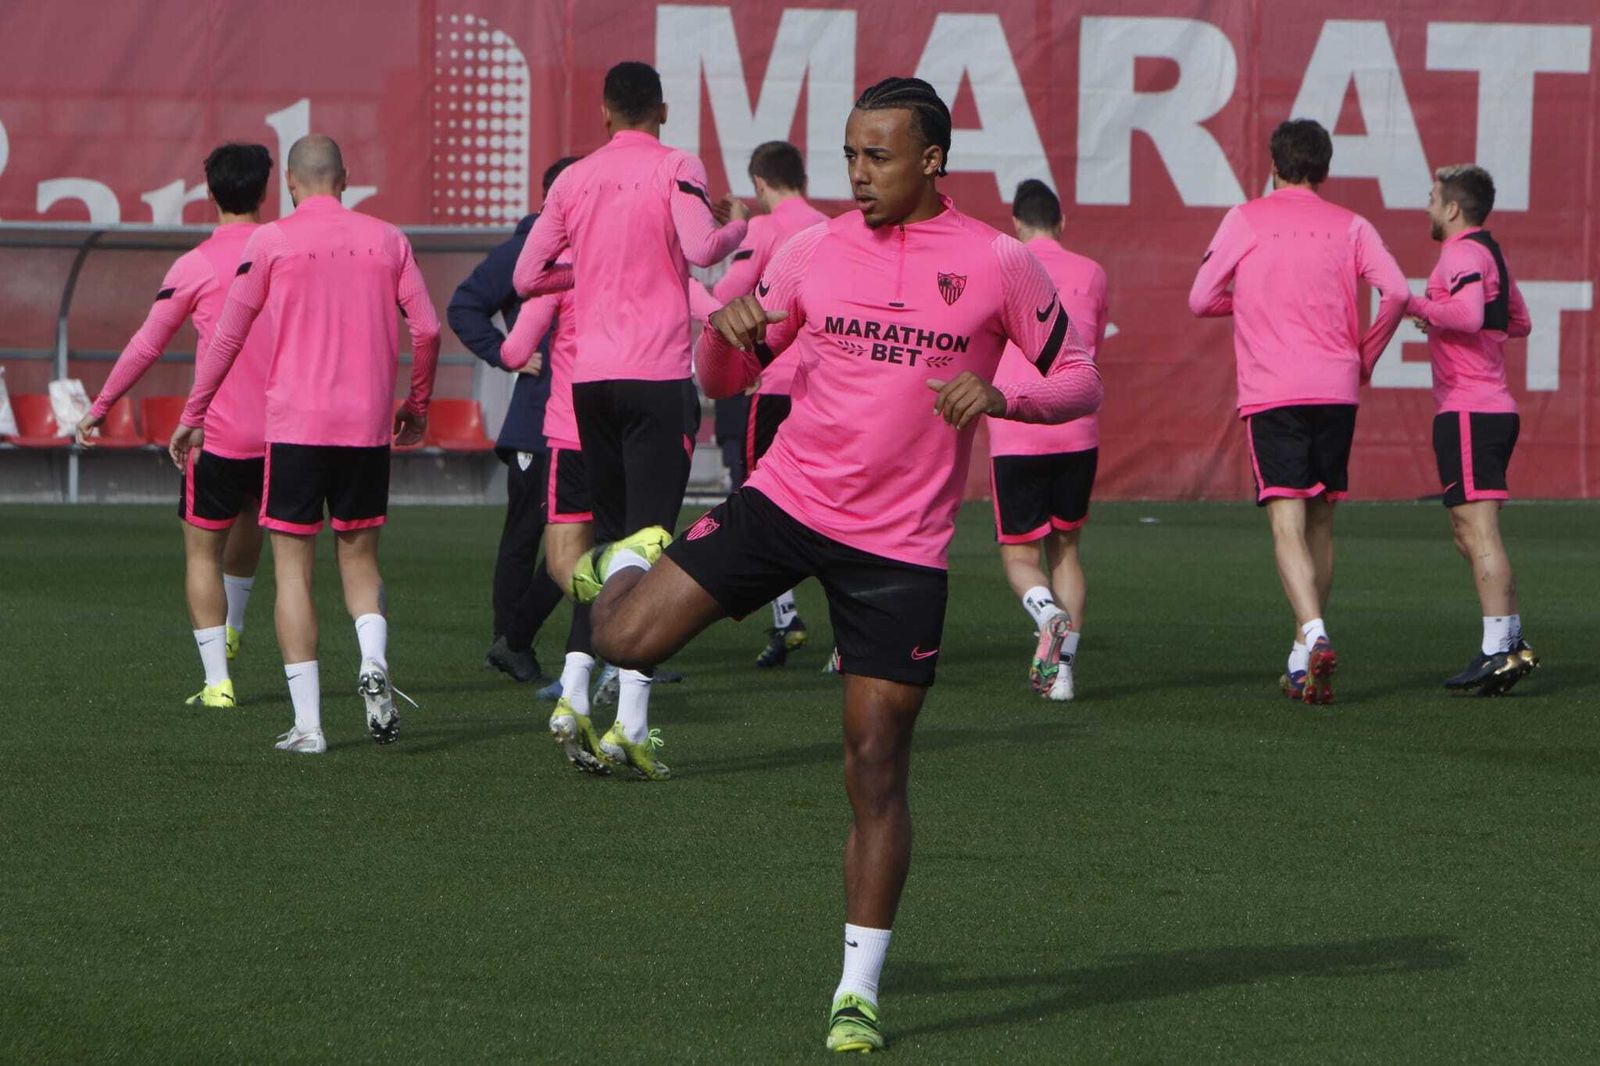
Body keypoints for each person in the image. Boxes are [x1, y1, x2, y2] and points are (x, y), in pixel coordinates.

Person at [576, 77, 1101, 1052]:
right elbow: (725, 376)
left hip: (899, 547)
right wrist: (724, 339)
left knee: (874, 765)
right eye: (852, 154)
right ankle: (628, 558)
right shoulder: (811, 250)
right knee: (622, 639)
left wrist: (1003, 396)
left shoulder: (999, 261)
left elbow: (1077, 377)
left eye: (878, 156)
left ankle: (856, 992)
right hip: (785, 501)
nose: (858, 173)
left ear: (931, 160)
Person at [510, 60, 748, 779]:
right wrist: (738, 224)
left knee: (614, 546)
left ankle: (573, 689)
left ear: (605, 112)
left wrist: (581, 272)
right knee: (653, 549)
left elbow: (526, 277)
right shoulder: (677, 165)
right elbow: (702, 249)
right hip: (656, 381)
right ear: (663, 110)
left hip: (591, 385)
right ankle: (631, 724)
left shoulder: (573, 179)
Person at [172, 134, 441, 754]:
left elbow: (228, 335)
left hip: (295, 428)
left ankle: (310, 727)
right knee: (360, 562)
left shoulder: (272, 241)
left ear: (290, 184)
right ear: (344, 178)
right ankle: (372, 659)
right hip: (365, 426)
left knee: (293, 572)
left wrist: (194, 412)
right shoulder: (388, 239)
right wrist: (418, 405)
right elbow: (427, 329)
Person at [1189, 118, 1409, 705]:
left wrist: (1254, 297)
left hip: (1274, 388)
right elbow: (1398, 293)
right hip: (1336, 387)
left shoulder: (1245, 219)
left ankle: (1313, 633)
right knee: (1322, 522)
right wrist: (1365, 356)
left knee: (1286, 522)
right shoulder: (1353, 225)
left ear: (1273, 165)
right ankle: (1299, 652)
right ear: (1325, 169)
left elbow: (1201, 297)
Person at [75, 143, 275, 709]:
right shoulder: (284, 253)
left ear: (209, 193)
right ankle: (234, 627)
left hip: (216, 435)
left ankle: (217, 683)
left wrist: (100, 405)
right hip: (284, 434)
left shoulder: (195, 264)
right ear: (266, 191)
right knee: (252, 523)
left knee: (201, 552)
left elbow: (148, 343)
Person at [447, 157, 580, 687]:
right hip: (536, 422)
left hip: (582, 418)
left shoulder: (594, 245)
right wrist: (507, 354)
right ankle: (507, 640)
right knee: (526, 535)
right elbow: (464, 306)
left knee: (586, 534)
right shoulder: (527, 248)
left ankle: (524, 641)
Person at [1408, 164, 1538, 694]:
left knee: (1477, 531)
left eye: (1432, 198)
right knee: (1468, 534)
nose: (1427, 206)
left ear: (1452, 208)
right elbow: (1518, 321)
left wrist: (1420, 305)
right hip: (1487, 407)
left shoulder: (1460, 253)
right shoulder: (1490, 254)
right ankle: (1511, 643)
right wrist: (1442, 313)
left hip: (1471, 408)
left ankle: (1498, 649)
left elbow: (1466, 316)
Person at [704, 140, 830, 668]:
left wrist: (736, 228)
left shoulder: (763, 227)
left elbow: (726, 299)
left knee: (762, 504)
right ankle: (823, 623)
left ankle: (786, 617)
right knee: (831, 504)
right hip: (824, 387)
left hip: (774, 382)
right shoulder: (830, 228)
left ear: (759, 183)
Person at [986, 179, 1107, 702]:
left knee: (1019, 556)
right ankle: (1064, 674)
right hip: (1076, 428)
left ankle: (1045, 612)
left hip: (1016, 426)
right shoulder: (1092, 272)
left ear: (1016, 224)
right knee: (1067, 550)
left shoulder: (1000, 267)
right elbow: (1089, 349)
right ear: (1061, 222)